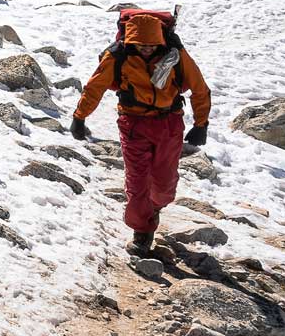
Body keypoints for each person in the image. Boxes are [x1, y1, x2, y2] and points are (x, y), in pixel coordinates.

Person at [69, 13, 210, 255]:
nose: (146, 49)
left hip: (169, 124)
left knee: (164, 186)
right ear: (131, 42)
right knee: (137, 182)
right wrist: (79, 117)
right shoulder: (118, 55)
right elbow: (95, 86)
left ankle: (154, 207)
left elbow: (199, 87)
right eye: (141, 45)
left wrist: (201, 124)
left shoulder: (175, 55)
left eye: (152, 45)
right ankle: (142, 232)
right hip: (133, 124)